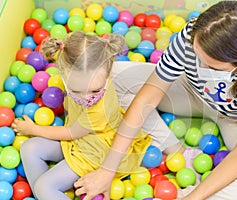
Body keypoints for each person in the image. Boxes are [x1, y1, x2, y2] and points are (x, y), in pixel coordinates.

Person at [74, 1, 237, 200]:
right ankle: (177, 150)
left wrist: (193, 197)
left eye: (213, 66)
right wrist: (108, 169)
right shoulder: (194, 33)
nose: (201, 67)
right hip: (192, 92)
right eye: (198, 57)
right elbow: (148, 96)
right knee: (107, 78)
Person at [11, 31, 154, 200]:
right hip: (78, 144)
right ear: (63, 77)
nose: (87, 98)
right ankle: (44, 196)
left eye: (95, 90)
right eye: (77, 91)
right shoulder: (77, 76)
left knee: (44, 186)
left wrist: (33, 129)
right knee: (29, 148)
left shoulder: (99, 109)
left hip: (98, 153)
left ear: (107, 74)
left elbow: (71, 132)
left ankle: (46, 192)